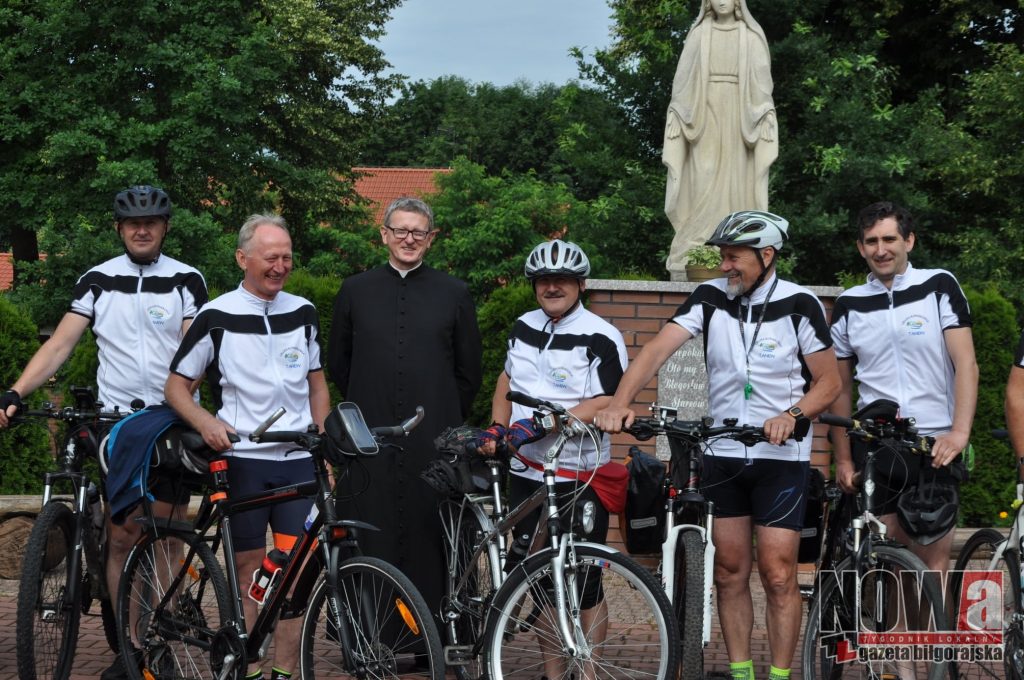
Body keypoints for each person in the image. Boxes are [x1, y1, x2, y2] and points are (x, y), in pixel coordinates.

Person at [595, 211, 840, 680]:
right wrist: (621, 403)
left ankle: (781, 675)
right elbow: (655, 350)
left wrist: (791, 416)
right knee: (729, 570)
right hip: (723, 452)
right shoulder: (710, 297)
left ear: (766, 256)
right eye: (722, 256)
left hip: (780, 457)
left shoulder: (799, 303)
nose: (725, 266)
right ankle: (742, 672)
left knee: (778, 572)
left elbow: (828, 383)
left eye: (734, 257)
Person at [0, 185, 207, 680]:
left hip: (171, 420)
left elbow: (196, 352)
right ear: (119, 229)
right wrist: (14, 393)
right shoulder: (98, 279)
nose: (142, 229)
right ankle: (132, 648)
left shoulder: (186, 279)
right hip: (116, 423)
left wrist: (181, 401)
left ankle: (161, 637)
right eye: (133, 223)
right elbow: (59, 346)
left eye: (152, 222)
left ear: (164, 228)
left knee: (165, 537)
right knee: (120, 536)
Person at [165, 214, 329, 680]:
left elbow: (318, 385)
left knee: (296, 574)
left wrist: (322, 436)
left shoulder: (303, 311)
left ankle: (285, 671)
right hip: (243, 460)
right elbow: (176, 387)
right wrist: (204, 420)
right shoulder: (215, 315)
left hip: (297, 458)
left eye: (287, 258)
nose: (280, 266)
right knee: (250, 570)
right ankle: (250, 667)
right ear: (242, 258)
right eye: (270, 257)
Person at [476, 239, 628, 679]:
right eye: (544, 279)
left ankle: (591, 672)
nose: (552, 286)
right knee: (542, 581)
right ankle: (553, 672)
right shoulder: (523, 326)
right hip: (527, 471)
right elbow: (506, 380)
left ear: (580, 284)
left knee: (584, 583)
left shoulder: (602, 334)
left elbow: (606, 398)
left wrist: (547, 422)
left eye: (562, 279)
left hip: (579, 474)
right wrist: (497, 427)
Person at [327, 196, 481, 624]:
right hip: (370, 438)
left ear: (431, 239)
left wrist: (442, 415)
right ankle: (369, 635)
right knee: (369, 532)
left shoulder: (454, 292)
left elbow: (469, 371)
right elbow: (339, 362)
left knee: (437, 533)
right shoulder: (355, 290)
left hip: (432, 440)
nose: (408, 239)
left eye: (418, 232)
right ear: (384, 235)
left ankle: (443, 632)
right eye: (400, 230)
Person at [829, 201, 977, 576]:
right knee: (887, 563)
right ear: (861, 247)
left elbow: (966, 365)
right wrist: (843, 459)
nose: (881, 249)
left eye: (890, 238)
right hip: (877, 444)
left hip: (934, 442)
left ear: (909, 240)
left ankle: (932, 638)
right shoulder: (849, 303)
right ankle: (898, 638)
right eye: (871, 241)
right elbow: (840, 389)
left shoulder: (938, 285)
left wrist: (959, 433)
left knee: (933, 562)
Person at [663, 0, 778, 276]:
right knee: (703, 174)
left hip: (740, 119)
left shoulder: (750, 36)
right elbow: (681, 83)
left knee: (739, 180)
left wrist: (764, 113)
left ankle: (737, 243)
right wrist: (678, 112)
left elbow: (763, 85)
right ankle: (698, 243)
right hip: (704, 116)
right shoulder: (699, 35)